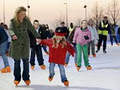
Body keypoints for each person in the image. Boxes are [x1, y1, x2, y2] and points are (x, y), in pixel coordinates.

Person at [9, 6, 41, 86]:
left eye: (24, 14)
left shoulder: (26, 21)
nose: (23, 15)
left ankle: (26, 78)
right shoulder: (13, 21)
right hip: (16, 42)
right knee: (17, 62)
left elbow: (32, 29)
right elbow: (10, 29)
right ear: (18, 13)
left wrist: (37, 36)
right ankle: (17, 78)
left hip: (25, 42)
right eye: (22, 14)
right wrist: (13, 35)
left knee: (26, 61)